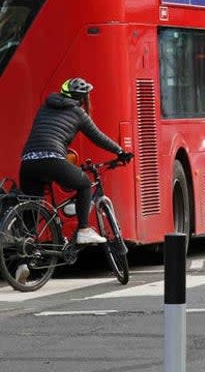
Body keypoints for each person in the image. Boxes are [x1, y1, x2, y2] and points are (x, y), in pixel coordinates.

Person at [19, 78, 133, 247]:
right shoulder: (77, 112)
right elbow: (98, 137)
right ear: (82, 98)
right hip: (52, 159)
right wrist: (120, 151)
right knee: (85, 184)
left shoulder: (45, 107)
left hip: (27, 162)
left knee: (32, 207)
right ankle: (84, 230)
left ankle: (24, 258)